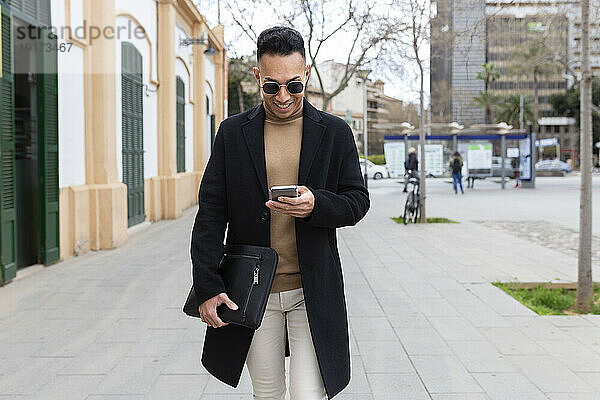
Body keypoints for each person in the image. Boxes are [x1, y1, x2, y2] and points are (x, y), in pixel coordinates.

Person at [190, 26, 370, 400]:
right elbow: (210, 215)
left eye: (294, 85)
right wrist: (208, 286)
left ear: (306, 72)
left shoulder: (335, 133)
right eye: (272, 86)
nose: (284, 96)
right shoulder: (232, 133)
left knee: (308, 394)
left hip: (312, 290)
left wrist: (316, 204)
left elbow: (357, 200)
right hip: (253, 292)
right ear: (258, 77)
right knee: (268, 394)